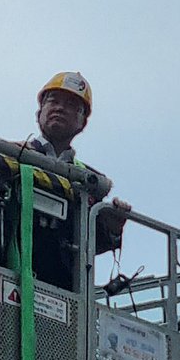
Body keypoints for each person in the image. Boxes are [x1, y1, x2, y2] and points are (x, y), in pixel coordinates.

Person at [19, 71, 131, 290]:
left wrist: (112, 227)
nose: (60, 108)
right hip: (12, 273)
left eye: (71, 105)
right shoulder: (12, 156)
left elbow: (90, 243)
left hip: (65, 285)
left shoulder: (90, 181)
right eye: (53, 101)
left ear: (82, 122)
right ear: (39, 111)